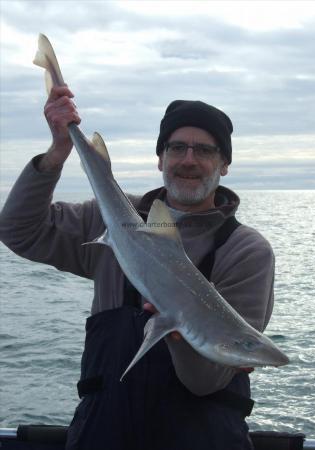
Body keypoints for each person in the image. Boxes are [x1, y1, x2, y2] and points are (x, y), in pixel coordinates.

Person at [0, 87, 275, 450]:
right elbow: (18, 230)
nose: (189, 160)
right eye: (176, 148)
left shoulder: (246, 251)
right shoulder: (107, 219)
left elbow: (205, 382)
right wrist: (56, 154)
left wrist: (175, 328)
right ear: (160, 159)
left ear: (224, 164)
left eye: (205, 150)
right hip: (103, 433)